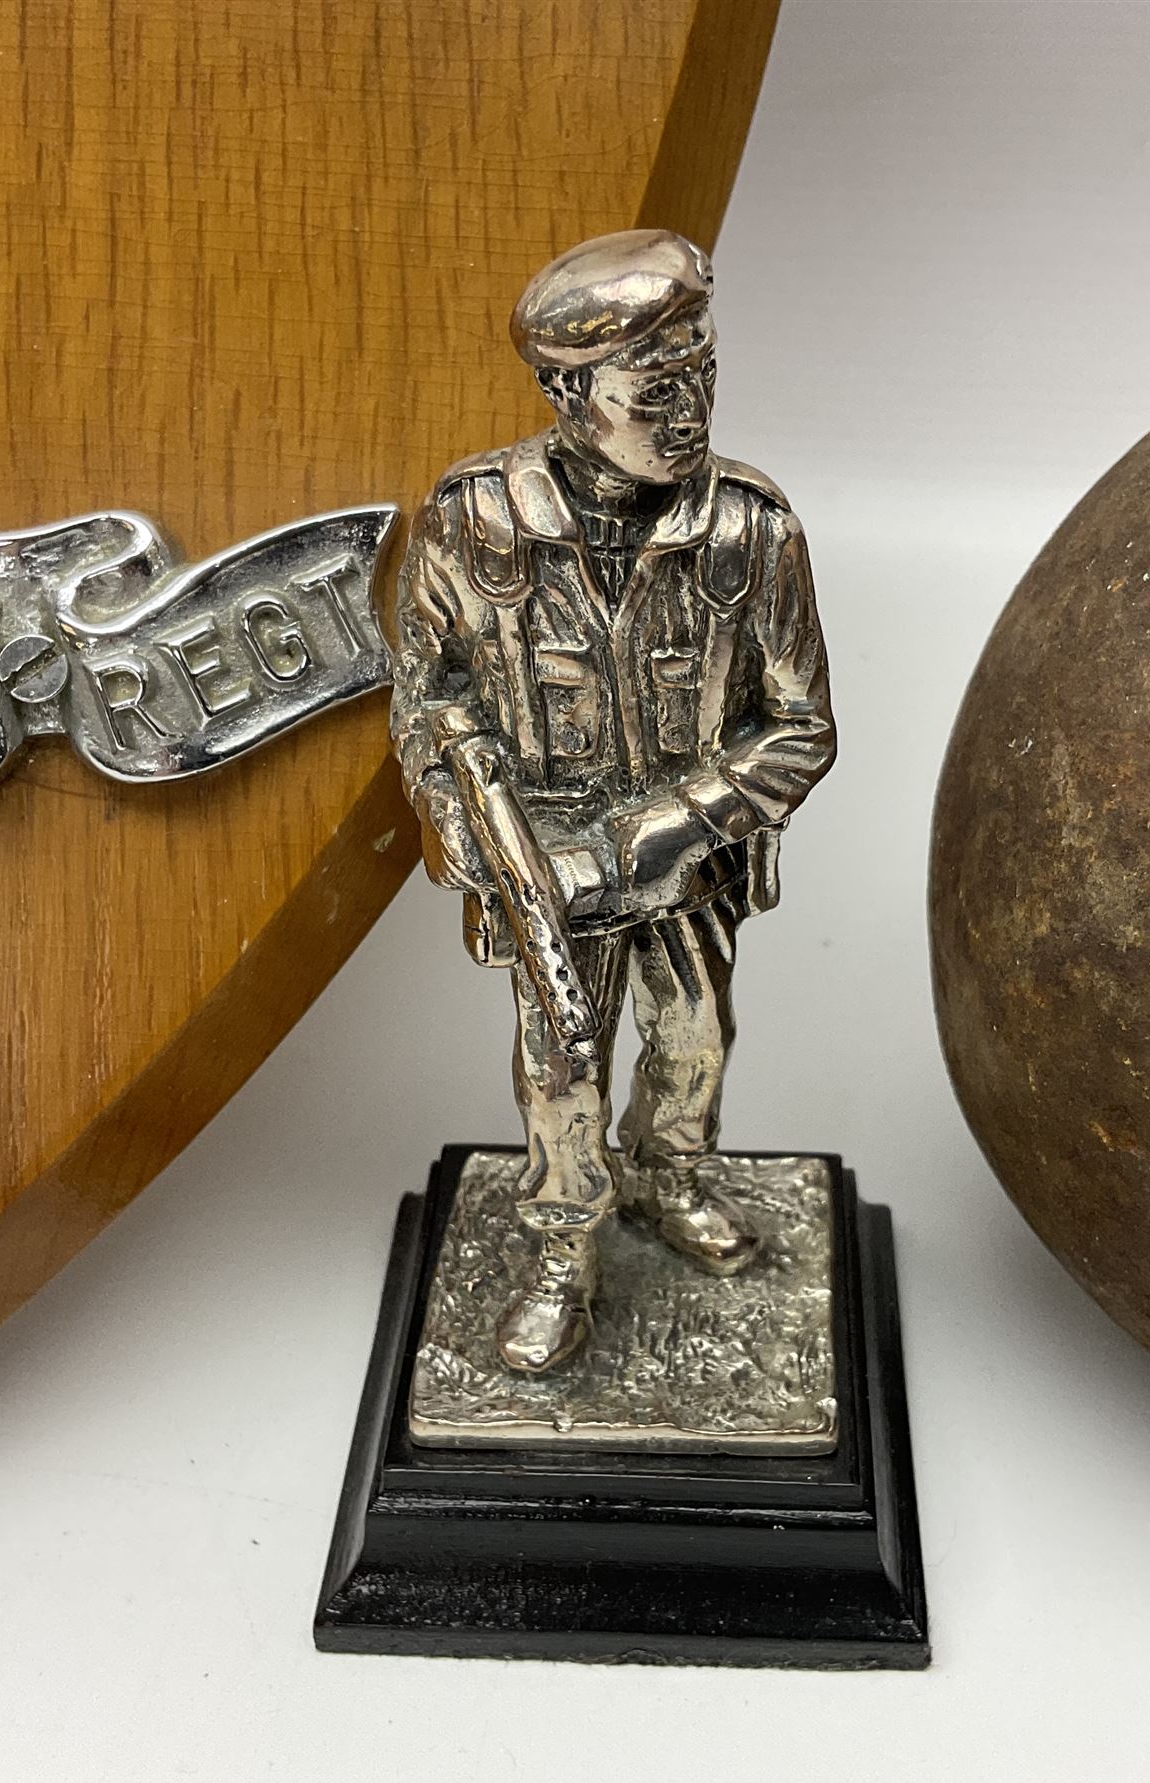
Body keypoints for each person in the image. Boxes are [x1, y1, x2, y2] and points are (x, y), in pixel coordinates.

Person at [390, 228, 835, 1373]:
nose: (689, 411)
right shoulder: (474, 519)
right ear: (569, 391)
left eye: (703, 373)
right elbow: (426, 696)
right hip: (543, 870)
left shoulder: (751, 528)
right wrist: (463, 827)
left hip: (688, 866)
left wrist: (652, 833)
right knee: (559, 1070)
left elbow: (801, 730)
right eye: (654, 389)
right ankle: (561, 1247)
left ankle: (670, 1176)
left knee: (693, 1042)